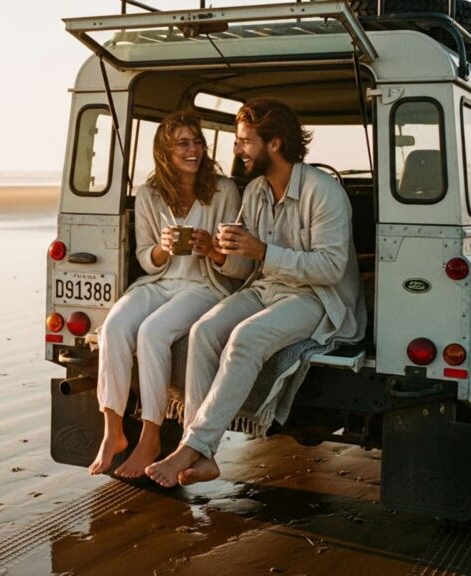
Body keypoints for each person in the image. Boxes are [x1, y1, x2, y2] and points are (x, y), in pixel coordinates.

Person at [145, 99, 366, 488]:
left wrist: (263, 251)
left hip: (315, 297)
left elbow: (331, 268)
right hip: (265, 288)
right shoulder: (257, 192)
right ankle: (202, 454)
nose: (236, 149)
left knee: (245, 339)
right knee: (204, 330)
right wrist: (217, 252)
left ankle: (192, 444)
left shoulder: (323, 192)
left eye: (245, 141)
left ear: (275, 144)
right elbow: (245, 267)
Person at [89, 110, 251, 478]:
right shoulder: (148, 195)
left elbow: (237, 264)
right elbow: (147, 260)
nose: (193, 149)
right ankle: (112, 432)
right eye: (183, 143)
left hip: (204, 286)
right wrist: (163, 249)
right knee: (114, 327)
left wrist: (211, 248)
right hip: (160, 283)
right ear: (165, 151)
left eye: (197, 141)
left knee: (152, 332)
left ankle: (151, 435)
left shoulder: (224, 190)